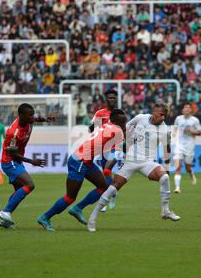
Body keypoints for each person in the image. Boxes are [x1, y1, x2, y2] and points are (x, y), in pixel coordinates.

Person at [88, 104, 180, 232]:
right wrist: (121, 142)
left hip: (147, 162)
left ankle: (165, 211)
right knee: (113, 188)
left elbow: (167, 148)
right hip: (130, 160)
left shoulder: (165, 130)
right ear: (154, 112)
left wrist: (167, 166)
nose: (163, 117)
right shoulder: (140, 118)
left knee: (164, 177)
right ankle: (92, 219)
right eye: (160, 114)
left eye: (165, 115)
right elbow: (124, 128)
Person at [37, 109, 127, 232]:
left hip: (85, 161)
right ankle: (45, 217)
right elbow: (117, 154)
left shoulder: (106, 125)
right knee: (70, 197)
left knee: (104, 187)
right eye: (123, 121)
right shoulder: (117, 130)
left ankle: (77, 209)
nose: (125, 123)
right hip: (80, 161)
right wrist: (107, 169)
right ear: (116, 121)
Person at [0, 103, 54, 229]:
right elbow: (13, 154)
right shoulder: (13, 132)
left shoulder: (29, 120)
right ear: (21, 116)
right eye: (30, 115)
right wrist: (32, 161)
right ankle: (5, 212)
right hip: (9, 161)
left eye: (33, 114)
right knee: (30, 185)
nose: (33, 117)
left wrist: (46, 119)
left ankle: (3, 218)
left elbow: (37, 118)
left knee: (19, 191)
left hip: (16, 161)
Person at [69, 88, 119, 217]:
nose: (112, 99)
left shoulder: (119, 113)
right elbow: (92, 128)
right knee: (106, 178)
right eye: (110, 97)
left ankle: (106, 198)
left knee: (108, 169)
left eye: (114, 97)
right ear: (106, 99)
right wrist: (92, 127)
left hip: (114, 148)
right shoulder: (100, 113)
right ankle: (112, 193)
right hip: (102, 148)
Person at [173, 103, 201, 193]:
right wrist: (174, 133)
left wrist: (191, 131)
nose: (187, 109)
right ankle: (177, 188)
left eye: (189, 108)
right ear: (183, 110)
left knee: (187, 167)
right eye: (185, 107)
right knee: (178, 167)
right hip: (179, 145)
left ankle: (191, 173)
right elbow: (175, 127)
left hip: (190, 146)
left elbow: (199, 133)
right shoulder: (178, 118)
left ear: (191, 111)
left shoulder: (195, 120)